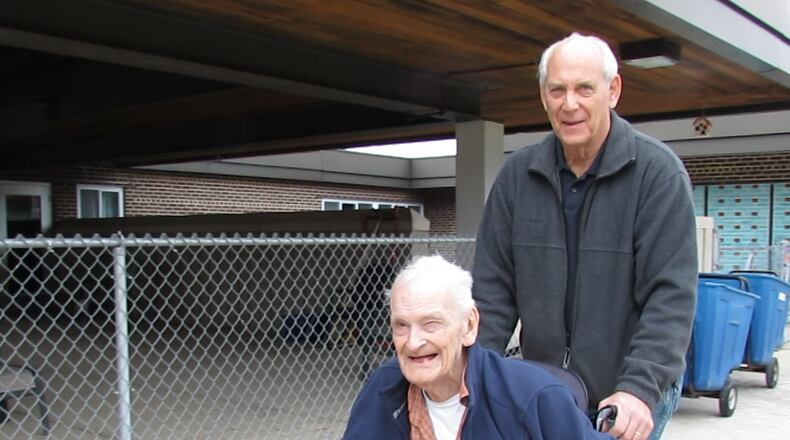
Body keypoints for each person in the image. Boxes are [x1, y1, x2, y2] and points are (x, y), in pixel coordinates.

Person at [472, 32, 697, 440]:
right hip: (546, 388)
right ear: (543, 96)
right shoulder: (516, 178)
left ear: (613, 91)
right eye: (557, 90)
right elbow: (493, 293)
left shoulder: (657, 174)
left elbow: (670, 297)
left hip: (628, 390)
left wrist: (639, 390)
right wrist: (472, 376)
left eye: (584, 89)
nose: (569, 103)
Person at [343, 255, 613, 439]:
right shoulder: (383, 388)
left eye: (431, 324)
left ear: (469, 326)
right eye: (401, 325)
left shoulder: (537, 398)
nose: (413, 342)